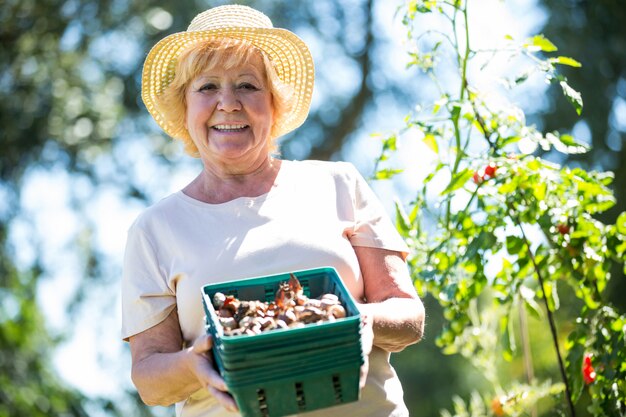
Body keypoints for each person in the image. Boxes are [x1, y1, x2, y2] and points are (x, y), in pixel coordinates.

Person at [121, 4, 425, 417]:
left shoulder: (338, 184)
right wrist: (195, 363)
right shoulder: (156, 229)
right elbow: (149, 378)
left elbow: (408, 315)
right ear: (184, 106)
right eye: (207, 87)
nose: (227, 103)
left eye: (247, 85)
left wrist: (360, 322)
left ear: (274, 102)